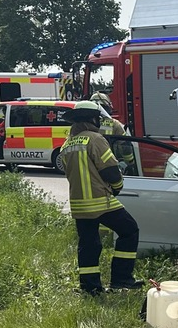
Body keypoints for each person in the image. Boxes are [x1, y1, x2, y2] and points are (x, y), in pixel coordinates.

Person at [60, 100, 141, 295]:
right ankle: (122, 280)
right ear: (92, 119)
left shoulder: (67, 144)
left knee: (89, 244)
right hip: (100, 201)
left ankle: (90, 288)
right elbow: (111, 170)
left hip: (79, 205)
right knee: (129, 230)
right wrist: (118, 187)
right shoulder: (95, 139)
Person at [90, 92, 136, 173]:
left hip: (90, 166)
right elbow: (125, 146)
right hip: (109, 166)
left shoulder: (83, 125)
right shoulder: (114, 124)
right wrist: (130, 164)